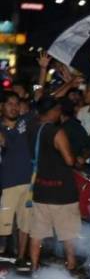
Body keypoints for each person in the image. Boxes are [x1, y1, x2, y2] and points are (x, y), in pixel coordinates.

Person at [27, 97, 80, 271]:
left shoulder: (32, 127)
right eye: (58, 110)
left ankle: (34, 267)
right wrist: (78, 157)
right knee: (68, 233)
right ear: (53, 111)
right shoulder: (57, 132)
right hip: (62, 192)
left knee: (37, 233)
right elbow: (69, 160)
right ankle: (71, 266)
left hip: (41, 190)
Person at [0, 91, 33, 269]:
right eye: (9, 103)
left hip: (28, 181)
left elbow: (42, 98)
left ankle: (21, 257)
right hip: (6, 183)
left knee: (25, 221)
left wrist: (43, 69)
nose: (13, 107)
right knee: (2, 222)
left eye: (16, 104)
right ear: (2, 106)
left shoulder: (24, 122)